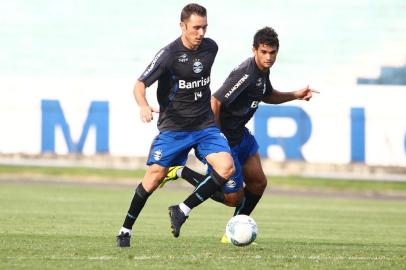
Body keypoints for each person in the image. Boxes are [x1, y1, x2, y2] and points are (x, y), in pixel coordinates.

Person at [161, 26, 318, 242]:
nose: (268, 57)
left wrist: (295, 95)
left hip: (240, 135)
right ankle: (179, 172)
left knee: (258, 183)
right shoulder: (246, 72)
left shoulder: (263, 71)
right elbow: (215, 101)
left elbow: (267, 94)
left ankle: (232, 231)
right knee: (233, 198)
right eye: (264, 52)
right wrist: (217, 137)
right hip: (224, 137)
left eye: (272, 53)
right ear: (254, 50)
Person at [116, 3, 235, 247]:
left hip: (204, 126)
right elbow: (139, 84)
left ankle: (182, 209)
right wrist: (143, 105)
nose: (201, 33)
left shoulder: (211, 48)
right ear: (182, 26)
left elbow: (194, 86)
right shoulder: (168, 55)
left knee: (226, 167)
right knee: (153, 178)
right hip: (174, 129)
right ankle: (125, 230)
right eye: (196, 28)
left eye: (204, 27)